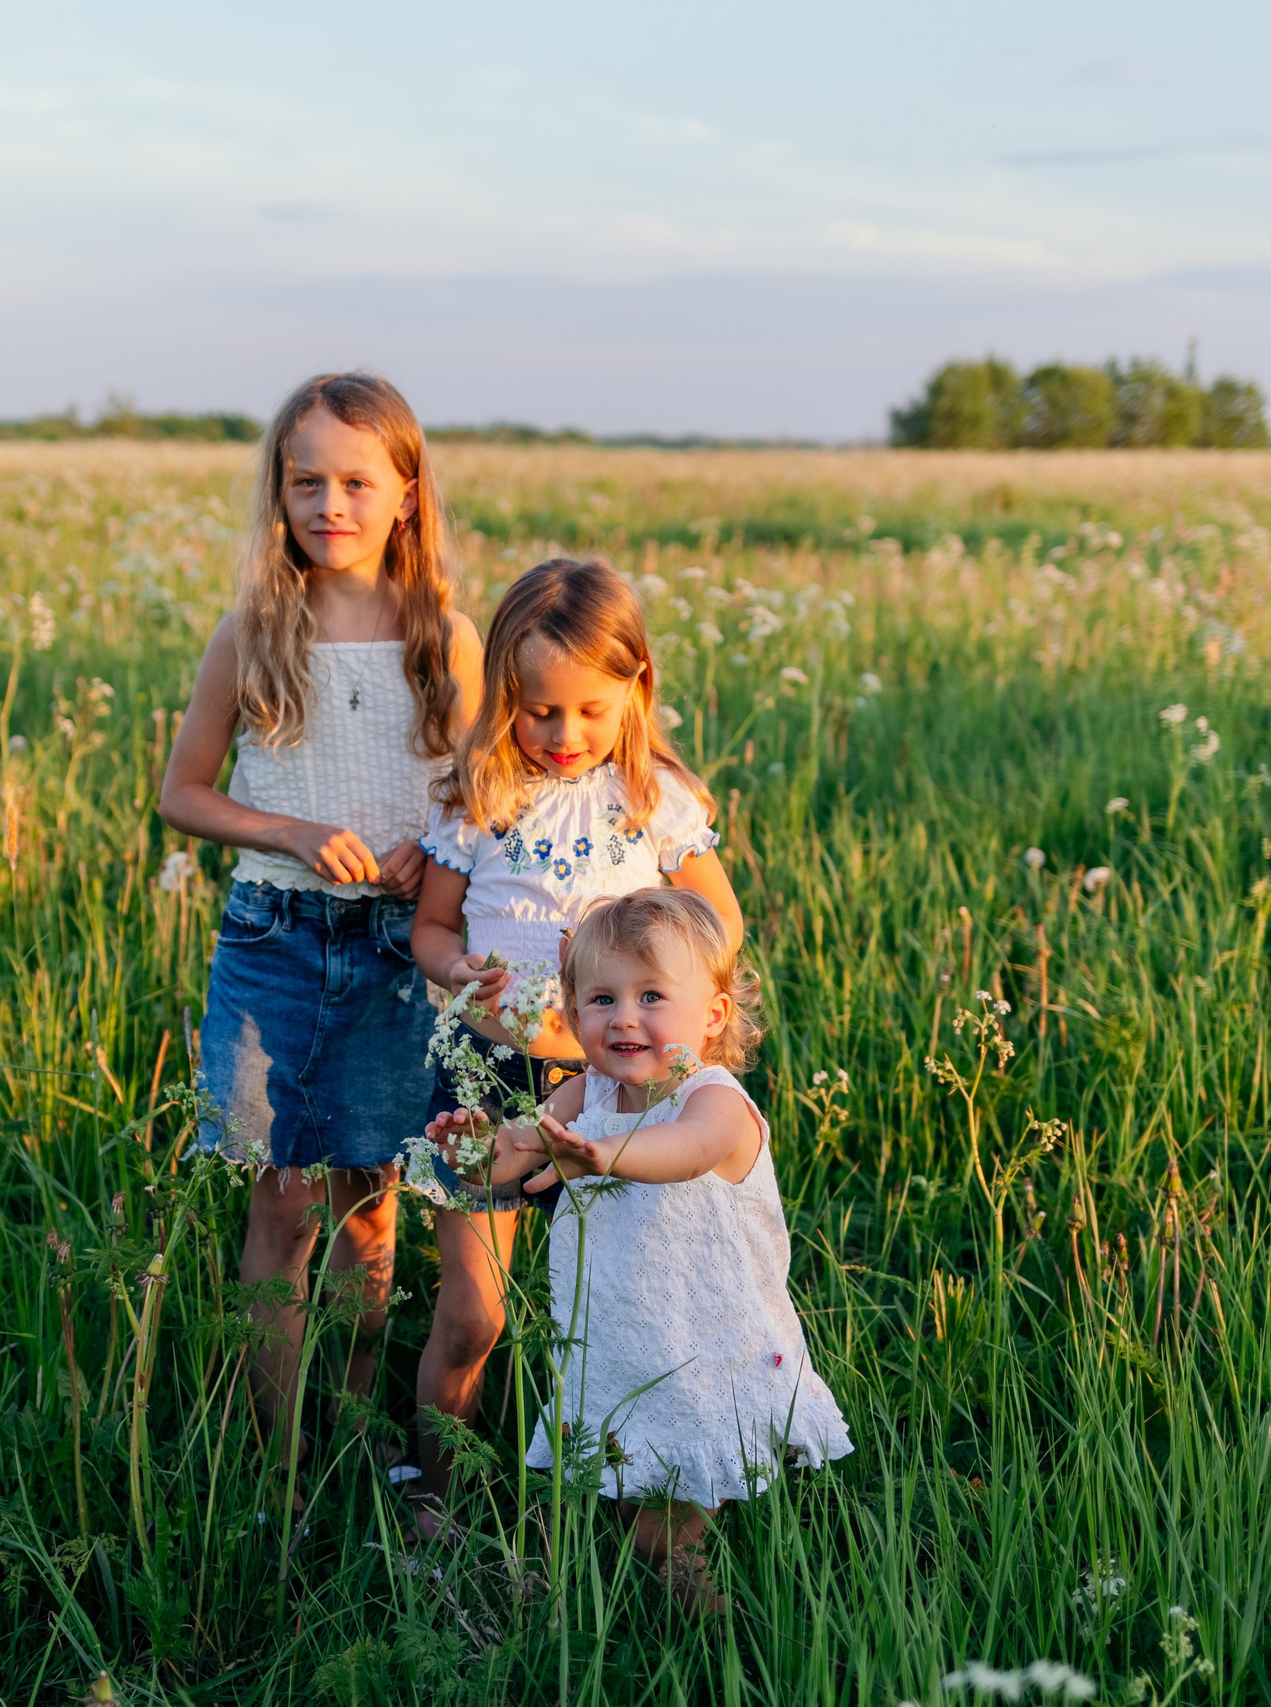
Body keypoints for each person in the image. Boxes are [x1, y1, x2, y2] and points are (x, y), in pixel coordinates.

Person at [158, 372, 481, 1461]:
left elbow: (480, 796)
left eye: (356, 481)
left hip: (398, 949)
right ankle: (279, 1459)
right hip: (276, 941)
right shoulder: (253, 632)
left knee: (370, 1204)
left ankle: (353, 1432)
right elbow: (183, 793)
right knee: (282, 1206)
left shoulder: (444, 636)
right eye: (306, 482)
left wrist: (431, 845)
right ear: (280, 492)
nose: (329, 504)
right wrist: (290, 831)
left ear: (406, 494)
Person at [403, 558, 741, 1531]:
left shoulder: (651, 795)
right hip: (486, 1069)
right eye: (537, 710)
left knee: (620, 1306)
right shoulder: (478, 794)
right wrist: (455, 967)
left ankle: (639, 1505)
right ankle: (436, 1492)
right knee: (474, 1311)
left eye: (589, 710)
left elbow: (721, 923)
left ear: (635, 687)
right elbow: (431, 928)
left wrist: (656, 979)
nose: (562, 734)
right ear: (503, 694)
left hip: (616, 1084)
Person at [464, 887, 851, 1611]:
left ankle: (724, 1638)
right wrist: (480, 1146)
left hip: (707, 1347)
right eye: (601, 998)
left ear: (713, 1014)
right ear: (572, 1012)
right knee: (628, 1495)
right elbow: (521, 1150)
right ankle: (673, 1617)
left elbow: (686, 1150)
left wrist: (602, 1154)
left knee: (661, 1536)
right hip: (624, 1340)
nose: (624, 1017)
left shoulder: (715, 1100)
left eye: (651, 996)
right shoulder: (587, 1093)